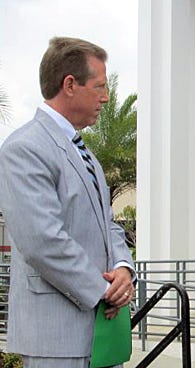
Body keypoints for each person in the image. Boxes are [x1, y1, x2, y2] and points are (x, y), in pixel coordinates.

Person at [0, 37, 135, 368]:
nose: (105, 97)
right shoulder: (25, 148)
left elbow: (108, 224)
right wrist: (103, 291)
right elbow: (41, 240)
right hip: (53, 337)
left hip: (101, 336)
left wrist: (122, 268)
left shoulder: (85, 152)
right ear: (70, 85)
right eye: (99, 86)